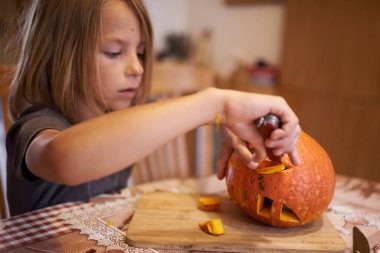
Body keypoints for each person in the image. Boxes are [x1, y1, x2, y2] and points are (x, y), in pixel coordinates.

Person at [6, 0, 301, 216]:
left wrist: (224, 123)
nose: (137, 67)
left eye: (142, 52)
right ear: (57, 56)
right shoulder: (35, 126)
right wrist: (214, 104)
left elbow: (161, 119)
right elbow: (62, 159)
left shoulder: (123, 114)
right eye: (114, 52)